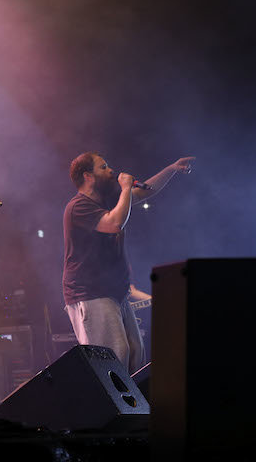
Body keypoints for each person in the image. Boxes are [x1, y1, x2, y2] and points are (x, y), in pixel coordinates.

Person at [62, 152, 195, 372]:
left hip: (116, 291)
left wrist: (171, 169)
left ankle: (133, 407)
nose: (111, 170)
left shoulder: (108, 200)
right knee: (114, 358)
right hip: (90, 293)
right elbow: (115, 224)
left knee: (135, 355)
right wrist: (125, 189)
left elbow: (142, 192)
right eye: (103, 167)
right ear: (88, 176)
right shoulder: (78, 207)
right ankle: (107, 408)